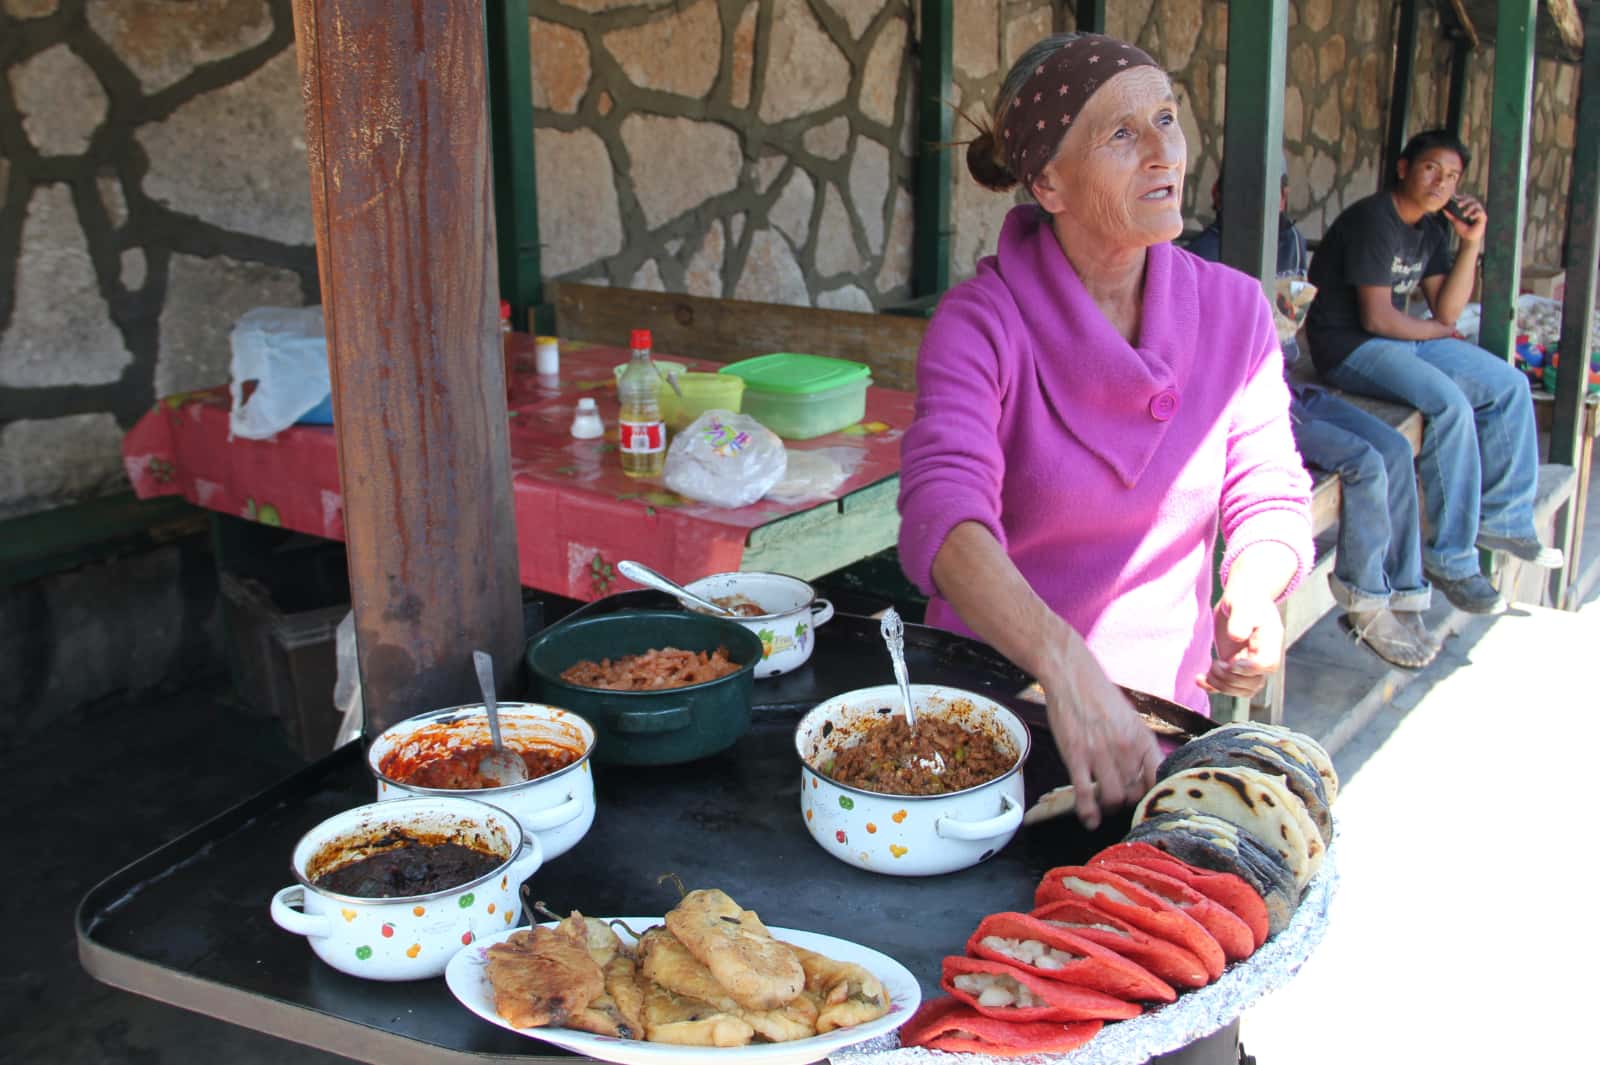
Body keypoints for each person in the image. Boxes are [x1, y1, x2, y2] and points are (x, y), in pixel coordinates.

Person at [897, 33, 1313, 829]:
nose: (1165, 152)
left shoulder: (1234, 311)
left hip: (1160, 727)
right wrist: (1063, 661)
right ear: (1048, 181)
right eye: (1122, 134)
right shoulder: (980, 324)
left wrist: (1256, 587)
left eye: (1167, 117)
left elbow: (1267, 485)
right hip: (987, 724)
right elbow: (943, 516)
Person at [1304, 129, 1562, 616]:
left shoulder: (1430, 228)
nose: (1441, 182)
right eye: (1431, 169)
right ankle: (1451, 559)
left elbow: (1446, 311)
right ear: (1403, 168)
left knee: (1507, 385)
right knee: (1450, 405)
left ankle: (1505, 518)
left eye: (1453, 176)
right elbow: (1376, 317)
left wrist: (1471, 244)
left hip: (1402, 339)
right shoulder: (1374, 220)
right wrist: (1432, 332)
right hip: (1349, 347)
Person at [1189, 164, 1438, 668]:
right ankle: (1365, 602)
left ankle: (1406, 592)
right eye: (1249, 192)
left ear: (1284, 198)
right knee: (1364, 461)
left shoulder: (1289, 241)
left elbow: (1285, 324)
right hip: (1245, 400)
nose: (1267, 204)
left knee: (1393, 447)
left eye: (1276, 192)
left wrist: (1285, 322)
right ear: (1219, 194)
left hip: (1289, 382)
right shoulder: (1200, 257)